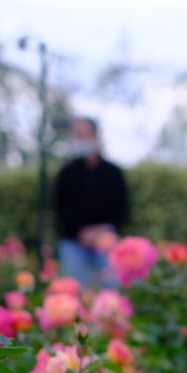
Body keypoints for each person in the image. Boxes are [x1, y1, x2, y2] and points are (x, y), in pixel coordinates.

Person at [53, 117, 129, 287]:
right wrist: (80, 232)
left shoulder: (113, 172)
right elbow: (61, 208)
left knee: (111, 291)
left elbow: (122, 208)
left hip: (106, 239)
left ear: (95, 136)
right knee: (74, 289)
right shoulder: (66, 173)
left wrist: (103, 230)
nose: (81, 141)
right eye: (77, 136)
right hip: (74, 241)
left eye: (84, 135)